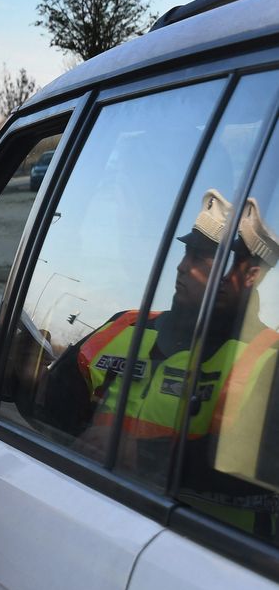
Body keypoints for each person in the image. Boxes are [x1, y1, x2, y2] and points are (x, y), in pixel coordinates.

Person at [35, 188, 279, 528]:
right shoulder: (122, 327)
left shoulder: (269, 359)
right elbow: (43, 406)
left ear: (250, 275)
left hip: (206, 555)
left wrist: (136, 454)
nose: (182, 267)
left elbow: (259, 465)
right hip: (91, 518)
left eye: (202, 258)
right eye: (186, 253)